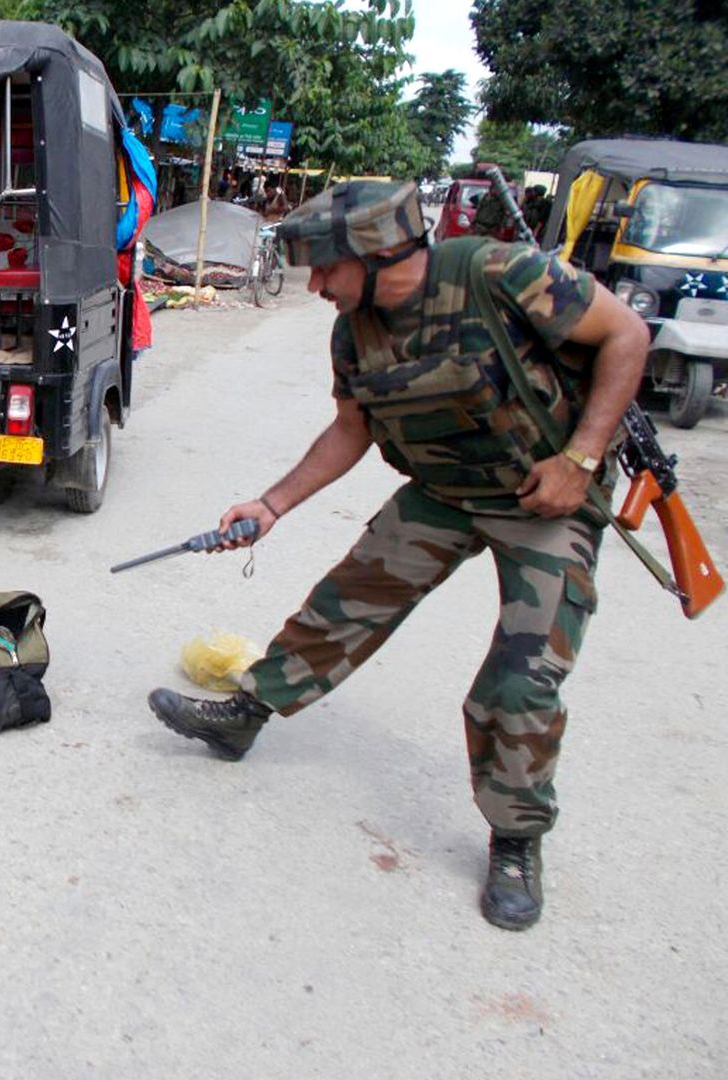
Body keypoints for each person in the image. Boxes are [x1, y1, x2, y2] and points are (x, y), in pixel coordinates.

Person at [146, 181, 649, 931]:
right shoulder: (354, 329)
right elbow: (350, 428)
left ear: (380, 254)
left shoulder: (499, 275)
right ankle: (246, 714)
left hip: (545, 499)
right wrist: (272, 504)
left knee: (517, 684)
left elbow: (627, 337)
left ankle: (514, 837)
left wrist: (579, 457)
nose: (313, 286)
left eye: (324, 270)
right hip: (445, 491)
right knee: (345, 600)